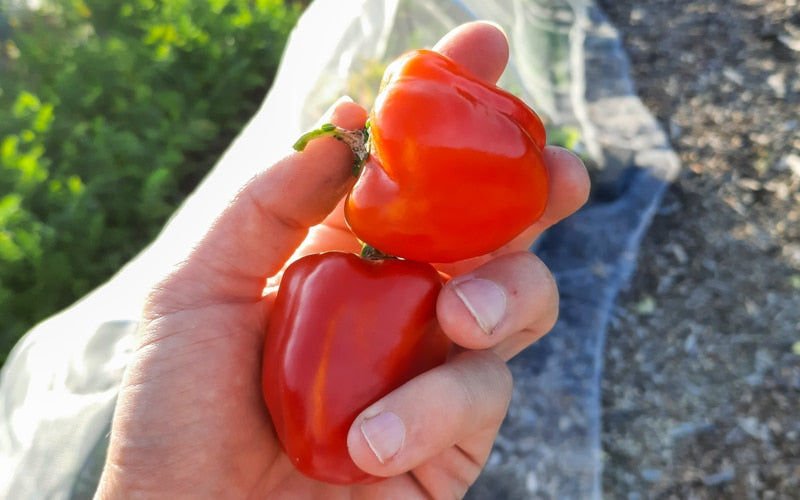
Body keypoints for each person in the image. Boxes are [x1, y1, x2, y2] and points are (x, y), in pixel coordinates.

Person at [93, 22, 590, 499]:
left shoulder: (332, 264)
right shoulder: (344, 260)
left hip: (372, 465)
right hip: (358, 463)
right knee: (464, 309)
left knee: (471, 306)